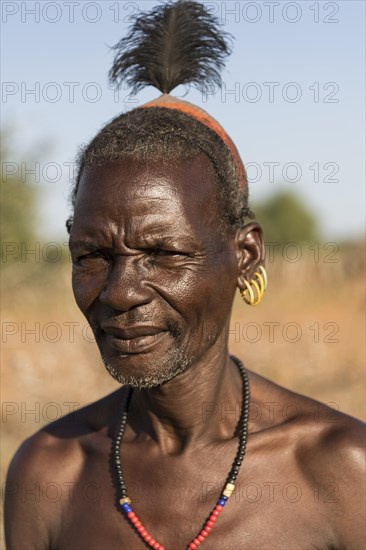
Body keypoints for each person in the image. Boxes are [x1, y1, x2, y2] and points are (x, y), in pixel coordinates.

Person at [5, 1, 365, 548]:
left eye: (164, 253)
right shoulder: (51, 473)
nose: (120, 293)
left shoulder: (337, 470)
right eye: (92, 255)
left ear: (245, 255)